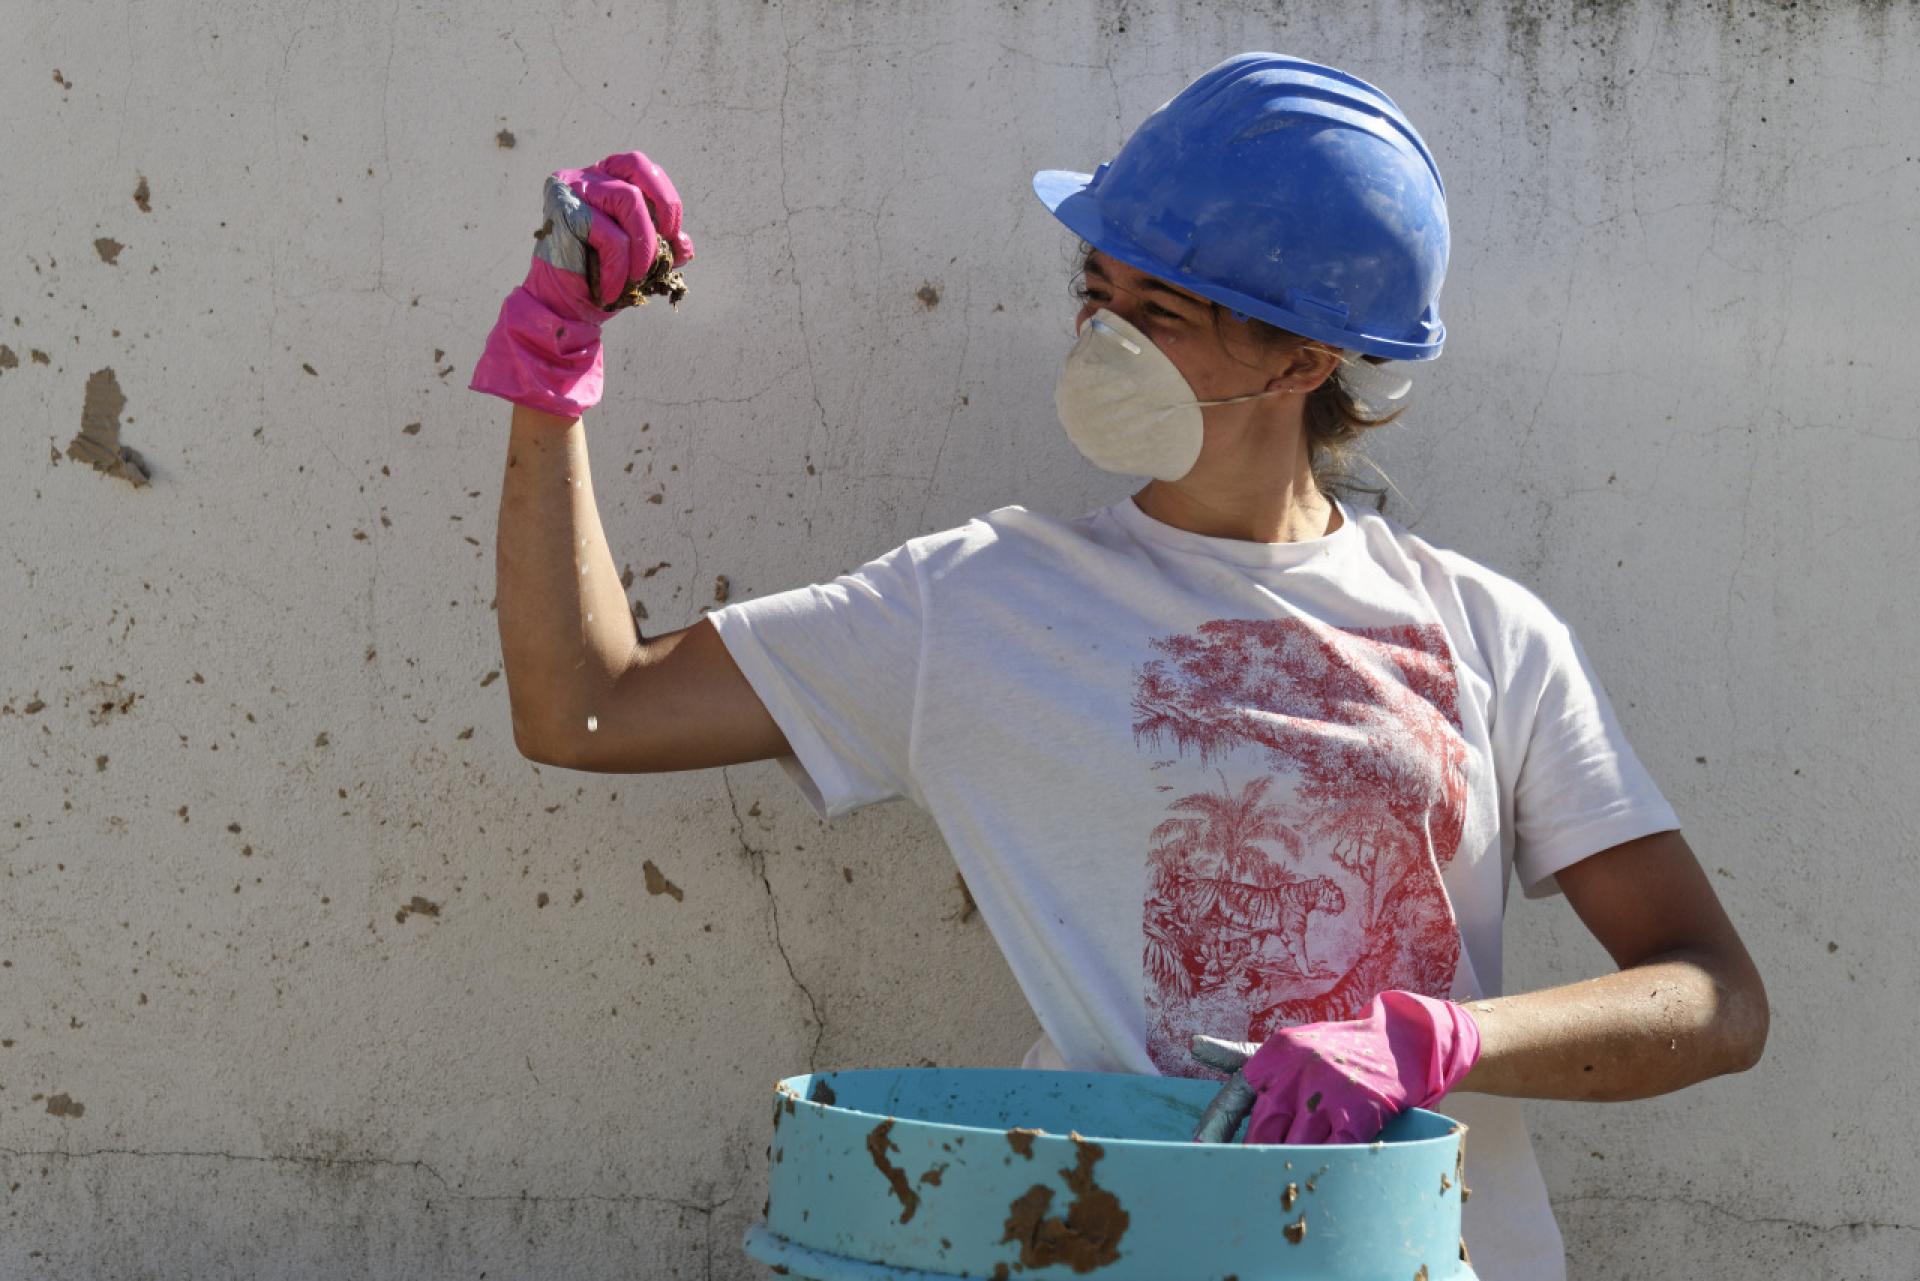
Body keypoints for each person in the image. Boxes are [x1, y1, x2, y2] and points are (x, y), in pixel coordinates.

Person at [472, 52, 1768, 1281]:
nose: (1105, 334)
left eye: (1162, 311)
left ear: (1303, 359)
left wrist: (1440, 1036)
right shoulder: (972, 604)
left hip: (1424, 1253)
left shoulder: (1485, 632)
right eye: (1097, 289)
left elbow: (1713, 996)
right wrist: (554, 356)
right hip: (1109, 1248)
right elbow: (586, 705)